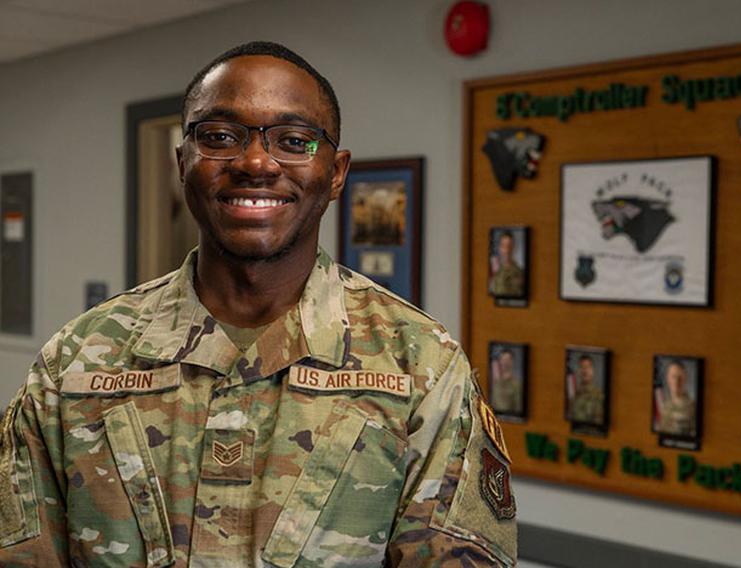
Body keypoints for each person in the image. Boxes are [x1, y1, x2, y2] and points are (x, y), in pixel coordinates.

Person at [0, 42, 516, 567]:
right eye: (220, 137)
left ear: (336, 173)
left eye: (294, 140)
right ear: (184, 162)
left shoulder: (419, 364)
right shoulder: (79, 361)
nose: (254, 162)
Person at [656, 360, 697, 437]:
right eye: (673, 376)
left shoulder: (694, 407)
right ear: (668, 379)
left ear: (685, 379)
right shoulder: (665, 406)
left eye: (680, 377)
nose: (676, 381)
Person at [569, 355, 605, 424]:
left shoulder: (599, 396)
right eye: (582, 367)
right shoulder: (574, 396)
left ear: (592, 371)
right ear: (578, 371)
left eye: (588, 367)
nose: (585, 370)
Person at [490, 231, 525, 297]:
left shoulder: (520, 272)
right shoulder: (493, 269)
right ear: (500, 248)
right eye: (504, 246)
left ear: (513, 248)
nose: (507, 250)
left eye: (509, 246)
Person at [490, 349, 522, 415]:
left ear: (512, 362)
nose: (505, 363)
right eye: (503, 360)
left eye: (507, 360)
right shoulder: (494, 383)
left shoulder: (517, 385)